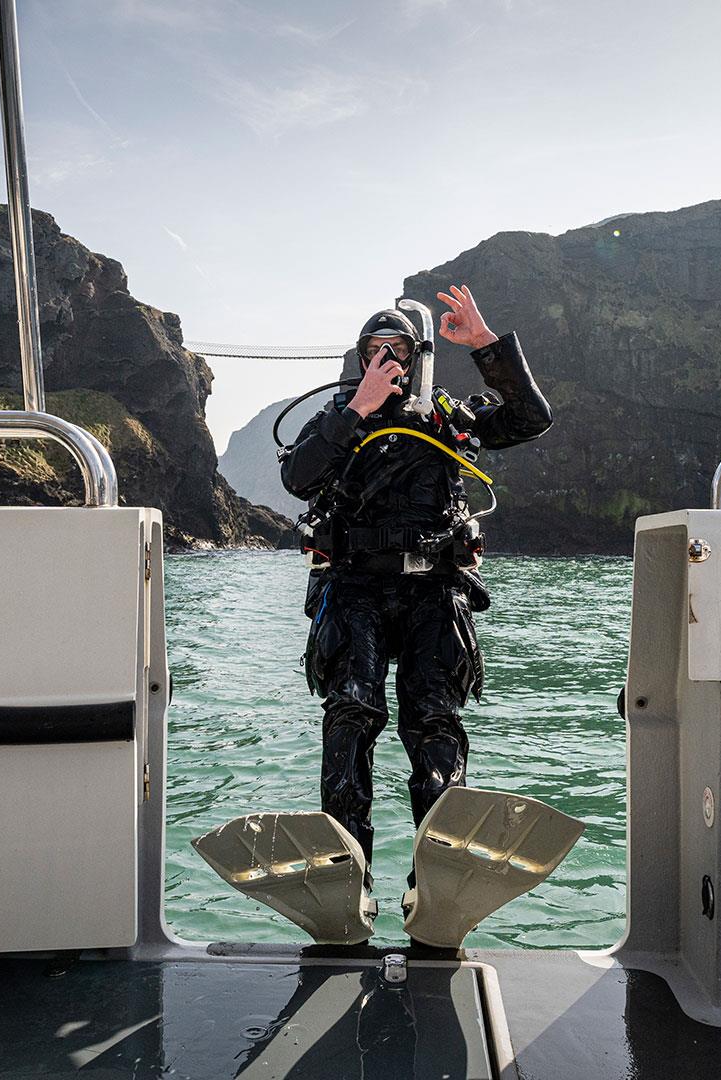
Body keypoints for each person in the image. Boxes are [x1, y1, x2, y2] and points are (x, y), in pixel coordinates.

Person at [279, 284, 552, 888]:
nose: (387, 361)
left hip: (435, 591)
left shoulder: (446, 416)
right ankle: (346, 876)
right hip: (355, 588)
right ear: (360, 357)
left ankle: (440, 878)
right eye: (375, 350)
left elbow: (530, 419)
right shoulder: (337, 420)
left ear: (419, 355)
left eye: (398, 350)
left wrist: (485, 343)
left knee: (434, 719)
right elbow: (298, 479)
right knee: (350, 711)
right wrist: (358, 410)